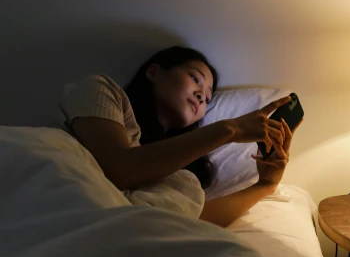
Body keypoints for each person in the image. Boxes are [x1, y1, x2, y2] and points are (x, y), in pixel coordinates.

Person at [53, 45, 300, 227]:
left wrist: (266, 185)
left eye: (208, 97)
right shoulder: (100, 90)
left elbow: (195, 223)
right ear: (154, 72)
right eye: (195, 79)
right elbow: (119, 170)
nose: (202, 95)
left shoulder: (176, 174)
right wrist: (230, 130)